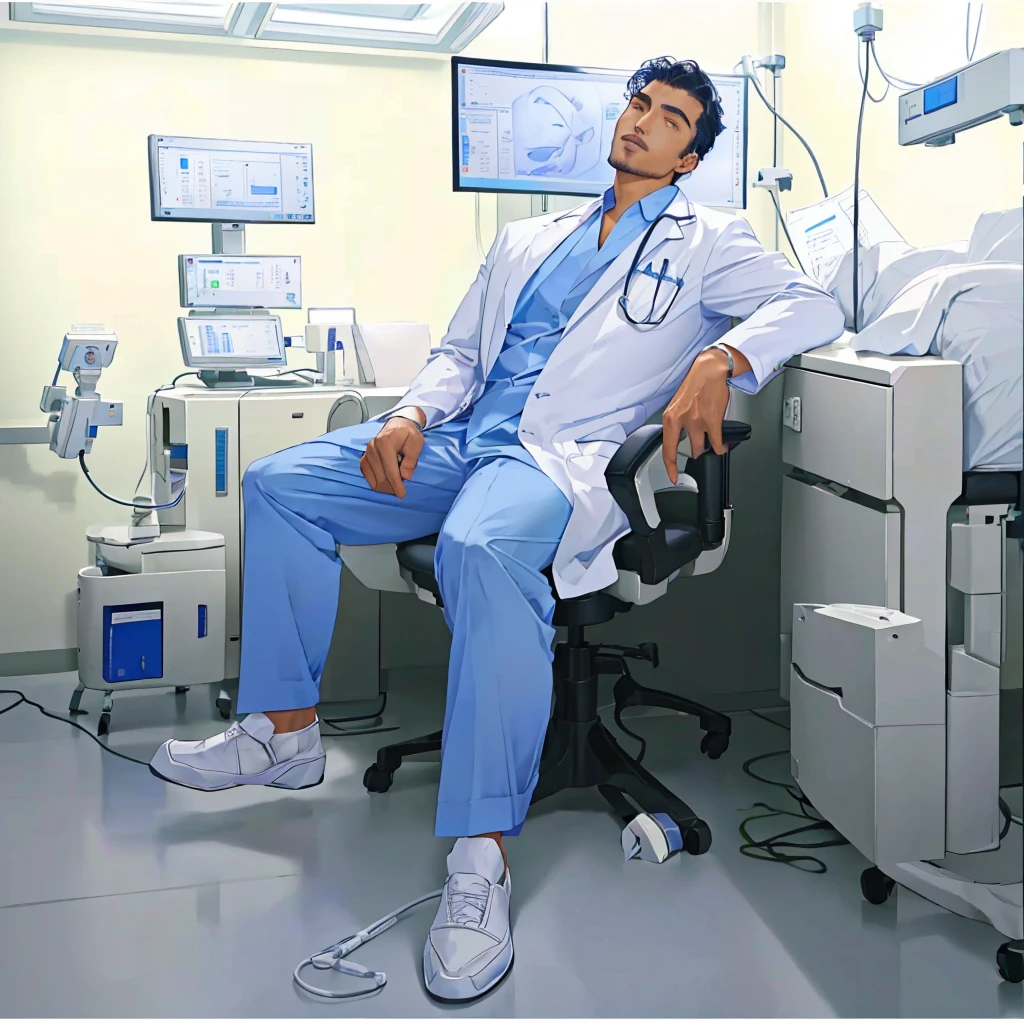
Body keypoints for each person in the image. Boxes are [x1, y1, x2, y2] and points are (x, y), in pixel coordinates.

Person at [150, 57, 845, 1001]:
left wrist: (725, 352)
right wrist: (407, 419)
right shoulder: (530, 237)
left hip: (553, 460)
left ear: (689, 159)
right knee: (279, 484)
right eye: (640, 104)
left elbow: (816, 302)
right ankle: (285, 729)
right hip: (461, 442)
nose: (644, 122)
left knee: (478, 548)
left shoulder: (711, 240)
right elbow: (459, 352)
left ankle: (480, 861)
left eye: (671, 119)